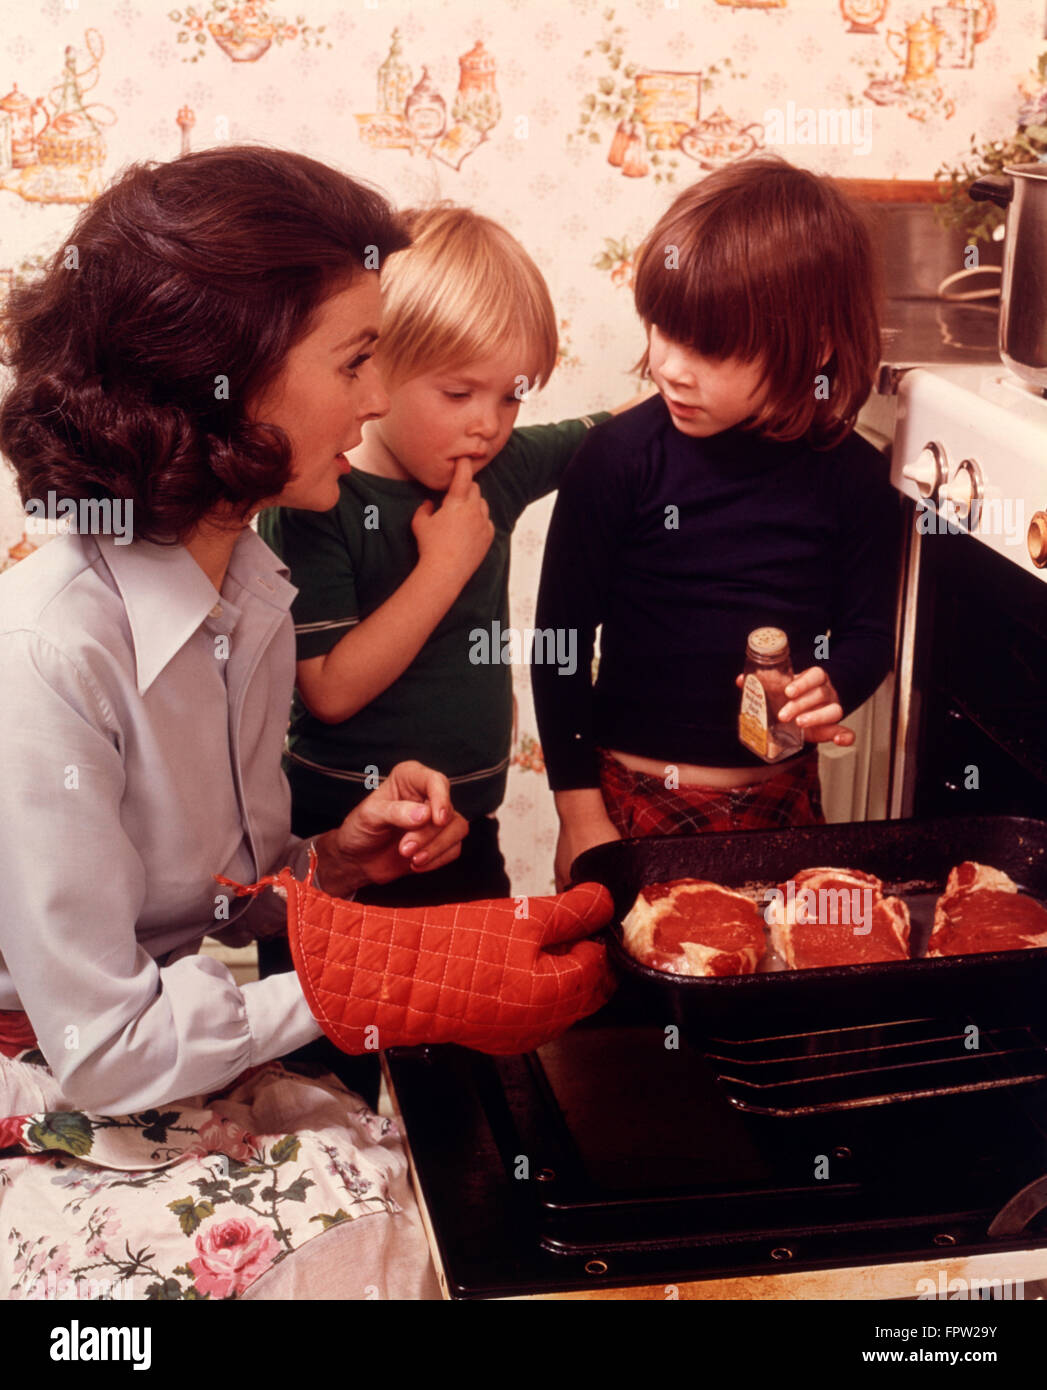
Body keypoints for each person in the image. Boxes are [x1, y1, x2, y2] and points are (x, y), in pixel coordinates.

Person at [0, 145, 611, 1301]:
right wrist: (375, 982)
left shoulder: (250, 595)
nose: (379, 399)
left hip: (179, 1074)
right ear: (221, 380)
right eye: (357, 358)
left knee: (454, 1222)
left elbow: (213, 924)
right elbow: (101, 1046)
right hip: (60, 1092)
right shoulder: (52, 658)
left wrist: (333, 862)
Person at [258, 204, 644, 910]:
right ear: (375, 371)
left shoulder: (497, 469)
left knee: (467, 1014)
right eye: (459, 392)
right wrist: (444, 565)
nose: (487, 424)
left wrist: (702, 377)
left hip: (466, 829)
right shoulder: (315, 499)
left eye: (511, 399)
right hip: (342, 829)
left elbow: (611, 431)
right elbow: (330, 691)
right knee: (331, 1019)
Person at [532, 155, 901, 889]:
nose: (669, 366)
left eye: (708, 347)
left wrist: (834, 684)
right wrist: (579, 815)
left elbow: (868, 636)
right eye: (662, 329)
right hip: (627, 802)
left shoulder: (855, 478)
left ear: (817, 346)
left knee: (776, 992)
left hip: (783, 802)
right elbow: (559, 648)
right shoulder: (616, 460)